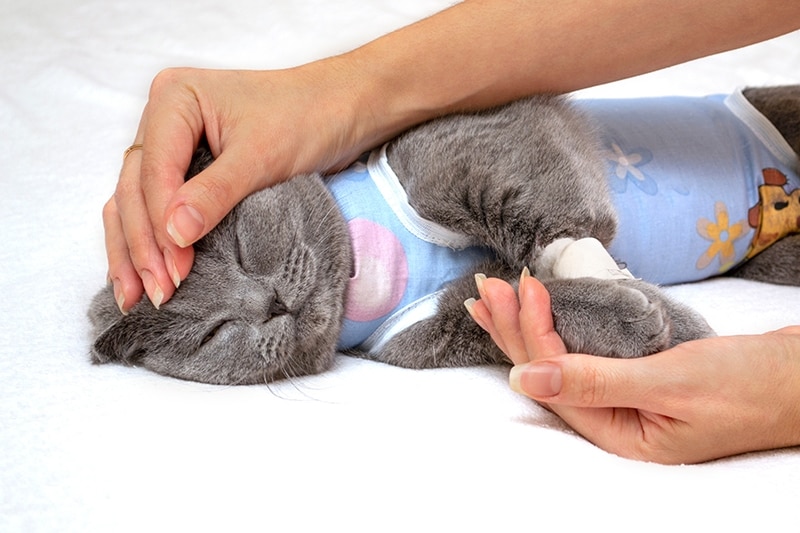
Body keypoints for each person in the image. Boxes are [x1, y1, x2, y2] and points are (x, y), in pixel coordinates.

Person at [104, 0, 800, 463]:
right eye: (213, 336)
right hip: (770, 240)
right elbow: (520, 319)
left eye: (250, 249)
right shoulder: (398, 341)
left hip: (758, 131)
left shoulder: (396, 178)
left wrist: (572, 254)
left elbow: (526, 142)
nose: (266, 307)